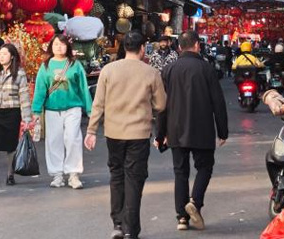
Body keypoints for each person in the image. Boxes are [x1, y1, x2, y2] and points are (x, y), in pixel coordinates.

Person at [85, 31, 167, 239]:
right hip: (139, 134)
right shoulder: (151, 73)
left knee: (117, 176)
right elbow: (161, 105)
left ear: (123, 47)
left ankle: (118, 224)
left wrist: (92, 130)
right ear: (142, 49)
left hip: (114, 133)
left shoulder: (108, 70)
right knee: (134, 179)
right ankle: (131, 228)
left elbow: (98, 103)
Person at [156, 30, 228, 231]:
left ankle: (182, 218)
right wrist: (223, 131)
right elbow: (218, 102)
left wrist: (160, 133)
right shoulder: (206, 69)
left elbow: (162, 105)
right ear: (197, 45)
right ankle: (194, 203)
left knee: (180, 172)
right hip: (202, 128)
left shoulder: (169, 69)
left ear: (179, 47)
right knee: (204, 167)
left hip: (175, 129)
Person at [31, 34, 92, 189]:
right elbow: (40, 89)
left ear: (68, 47)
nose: (59, 47)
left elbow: (84, 88)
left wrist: (90, 109)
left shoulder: (75, 65)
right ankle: (57, 174)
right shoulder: (45, 66)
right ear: (51, 46)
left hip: (73, 107)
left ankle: (73, 174)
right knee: (53, 141)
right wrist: (36, 111)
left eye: (62, 44)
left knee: (73, 139)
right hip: (52, 109)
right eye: (56, 44)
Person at [0, 44, 31, 188]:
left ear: (12, 56)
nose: (1, 57)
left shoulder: (19, 73)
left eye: (5, 54)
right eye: (0, 54)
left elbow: (24, 96)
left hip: (12, 112)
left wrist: (27, 118)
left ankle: (10, 175)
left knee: (11, 146)